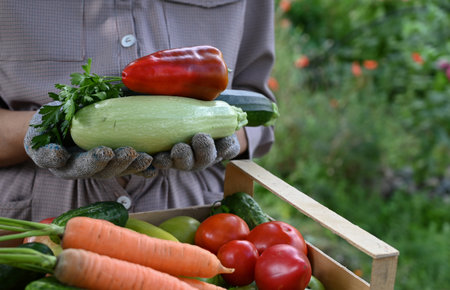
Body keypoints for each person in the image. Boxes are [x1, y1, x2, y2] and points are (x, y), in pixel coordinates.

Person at [0, 0, 276, 221]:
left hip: (196, 219)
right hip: (37, 217)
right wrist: (39, 130)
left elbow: (257, 111)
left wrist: (223, 135)